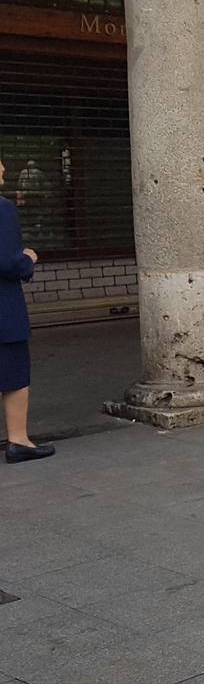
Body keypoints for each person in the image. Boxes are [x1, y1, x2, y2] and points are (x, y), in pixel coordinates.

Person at [1, 155, 50, 463]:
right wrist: (28, 259)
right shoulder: (2, 209)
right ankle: (19, 440)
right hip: (3, 307)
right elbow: (7, 261)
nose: (4, 169)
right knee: (14, 372)